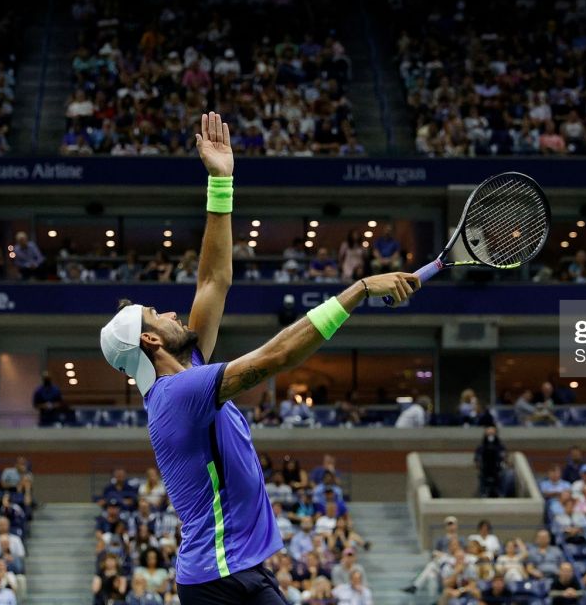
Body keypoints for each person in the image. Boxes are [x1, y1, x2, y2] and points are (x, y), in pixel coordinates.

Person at [99, 112, 420, 604]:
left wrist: (221, 183)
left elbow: (213, 281)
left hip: (230, 572)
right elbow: (276, 356)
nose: (168, 311)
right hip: (220, 579)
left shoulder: (188, 370)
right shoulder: (180, 394)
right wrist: (359, 290)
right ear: (150, 343)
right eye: (155, 314)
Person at [475, 426, 507, 497]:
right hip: (485, 470)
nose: (490, 436)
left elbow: (504, 456)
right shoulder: (481, 447)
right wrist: (478, 464)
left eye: (492, 433)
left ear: (495, 434)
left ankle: (500, 493)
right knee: (482, 480)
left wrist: (502, 460)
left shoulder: (500, 446)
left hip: (497, 470)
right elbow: (477, 458)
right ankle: (483, 493)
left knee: (503, 476)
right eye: (488, 434)